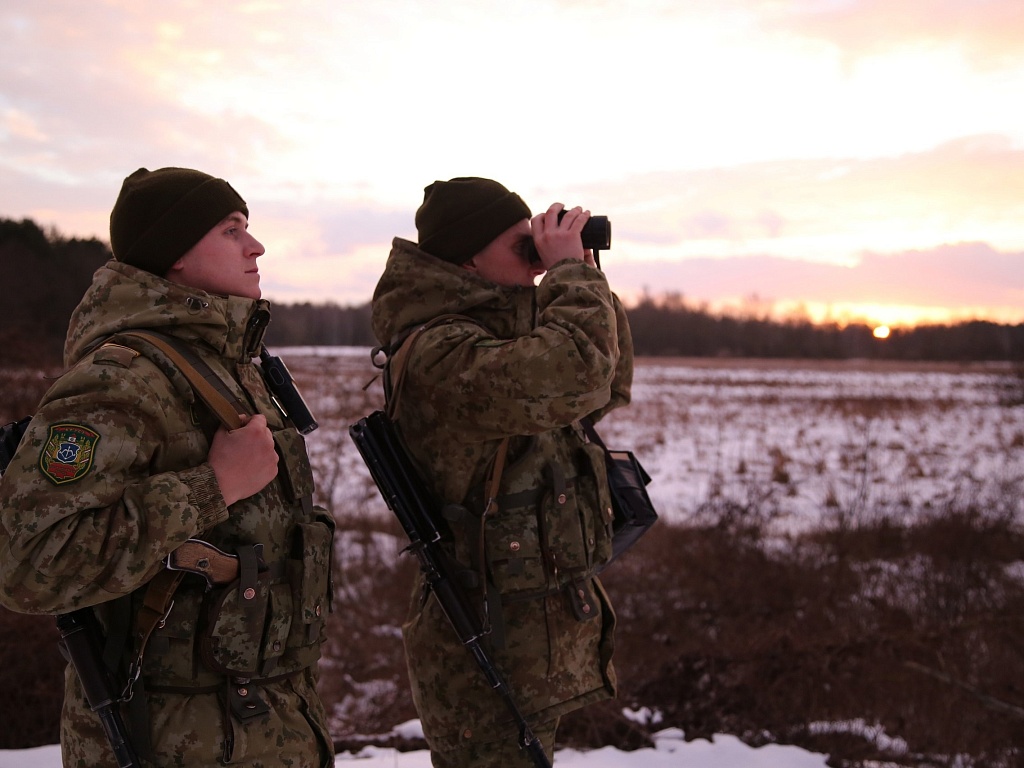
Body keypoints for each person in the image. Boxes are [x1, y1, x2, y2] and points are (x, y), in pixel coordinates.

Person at [0, 167, 335, 767]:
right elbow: (28, 565)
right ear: (174, 253)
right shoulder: (121, 380)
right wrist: (213, 487)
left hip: (267, 731)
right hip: (165, 741)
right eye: (232, 230)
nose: (255, 246)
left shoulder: (233, 367)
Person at [370, 177, 634, 766]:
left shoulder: (500, 336)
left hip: (529, 639)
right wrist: (570, 277)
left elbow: (604, 389)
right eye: (521, 245)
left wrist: (582, 271)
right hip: (481, 648)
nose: (535, 256)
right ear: (467, 255)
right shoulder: (444, 352)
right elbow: (580, 373)